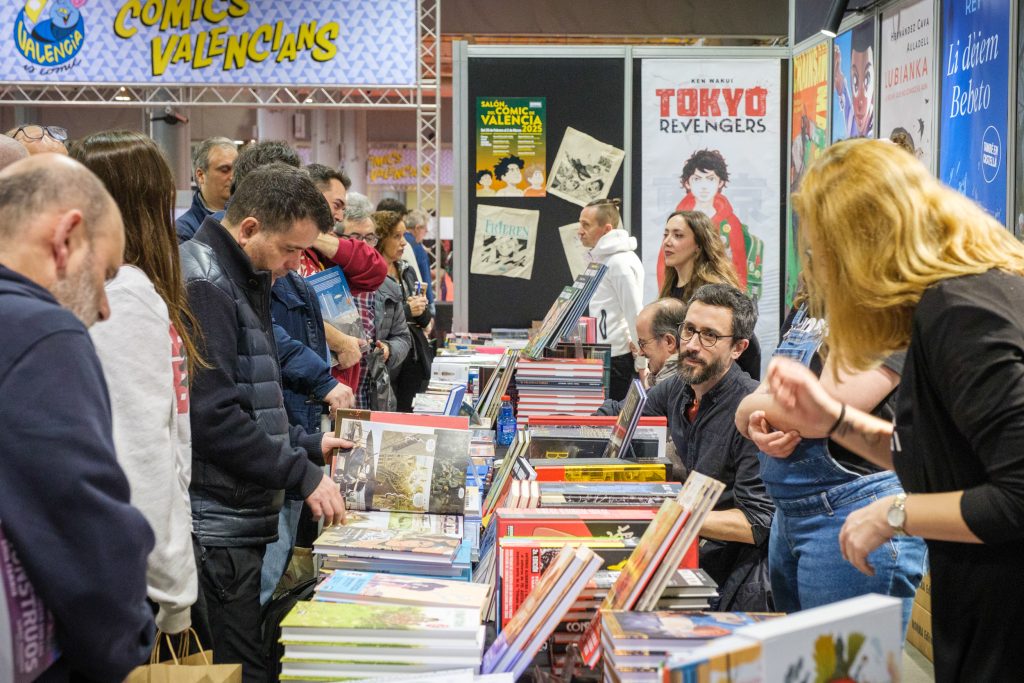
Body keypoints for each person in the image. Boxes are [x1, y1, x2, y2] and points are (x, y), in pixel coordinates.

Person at [763, 138, 1024, 682]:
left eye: (821, 254)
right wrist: (834, 420)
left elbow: (1017, 496)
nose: (819, 274)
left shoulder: (960, 312)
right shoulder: (953, 303)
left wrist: (894, 514)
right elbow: (939, 459)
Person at [180, 163, 348, 681]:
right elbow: (213, 418)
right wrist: (301, 472)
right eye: (291, 250)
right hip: (218, 521)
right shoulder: (206, 282)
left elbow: (250, 400)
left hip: (236, 515)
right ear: (250, 228)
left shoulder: (238, 276)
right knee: (239, 668)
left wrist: (308, 443)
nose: (296, 265)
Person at [0, 154, 155, 681]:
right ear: (66, 238)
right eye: (104, 274)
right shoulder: (42, 332)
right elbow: (83, 517)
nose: (105, 307)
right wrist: (126, 641)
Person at [72, 131, 205, 638]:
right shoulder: (125, 294)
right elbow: (141, 451)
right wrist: (174, 589)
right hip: (138, 577)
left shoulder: (125, 289)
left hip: (134, 564)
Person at [733, 300, 926, 631]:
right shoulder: (811, 300)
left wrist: (752, 409)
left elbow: (824, 413)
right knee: (800, 655)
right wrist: (751, 413)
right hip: (790, 513)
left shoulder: (886, 302)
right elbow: (764, 393)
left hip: (853, 508)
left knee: (841, 660)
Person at [598, 284, 773, 610]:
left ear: (738, 348)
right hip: (687, 550)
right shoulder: (680, 386)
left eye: (710, 336)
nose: (691, 345)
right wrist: (558, 435)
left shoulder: (752, 410)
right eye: (689, 330)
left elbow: (757, 523)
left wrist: (668, 515)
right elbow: (625, 413)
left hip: (729, 575)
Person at [658, 210, 761, 379]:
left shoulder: (716, 292)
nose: (667, 242)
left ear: (698, 245)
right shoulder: (670, 286)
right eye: (666, 234)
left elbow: (750, 348)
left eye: (678, 235)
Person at [340, 207, 411, 410]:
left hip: (373, 399)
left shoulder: (387, 286)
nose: (363, 245)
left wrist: (389, 349)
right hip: (334, 401)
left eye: (369, 238)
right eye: (355, 237)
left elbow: (402, 337)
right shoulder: (326, 280)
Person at [674, 149, 763, 301]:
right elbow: (664, 266)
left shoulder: (730, 222)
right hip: (682, 299)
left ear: (720, 182)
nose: (704, 186)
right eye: (697, 179)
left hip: (720, 300)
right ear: (688, 183)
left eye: (710, 179)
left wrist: (736, 303)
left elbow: (739, 268)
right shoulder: (677, 222)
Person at [578, 198, 644, 401]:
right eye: (580, 224)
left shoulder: (619, 263)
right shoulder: (603, 259)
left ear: (606, 229)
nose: (580, 231)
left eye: (586, 225)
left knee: (612, 415)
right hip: (605, 353)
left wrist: (642, 361)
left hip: (618, 357)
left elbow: (635, 313)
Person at [375, 210, 432, 412]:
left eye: (404, 235)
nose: (404, 243)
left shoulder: (406, 270)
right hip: (386, 359)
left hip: (413, 358)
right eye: (396, 236)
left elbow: (425, 319)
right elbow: (375, 321)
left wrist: (421, 308)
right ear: (381, 238)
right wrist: (408, 310)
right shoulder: (370, 275)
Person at [176, 137, 237, 243]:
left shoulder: (252, 217)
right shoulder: (183, 231)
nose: (233, 177)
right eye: (224, 170)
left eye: (237, 169)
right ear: (201, 175)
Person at [633, 298, 686, 389]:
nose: (640, 352)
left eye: (643, 343)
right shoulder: (661, 383)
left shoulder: (670, 390)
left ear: (669, 342)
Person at [833, 27, 875, 139]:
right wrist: (836, 67)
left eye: (867, 81)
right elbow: (840, 85)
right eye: (855, 82)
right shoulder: (852, 121)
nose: (860, 103)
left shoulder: (878, 127)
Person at [403, 208, 436, 310]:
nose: (426, 231)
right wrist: (430, 304)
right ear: (417, 228)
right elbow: (424, 278)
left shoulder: (399, 241)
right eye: (425, 228)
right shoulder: (417, 248)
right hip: (416, 301)